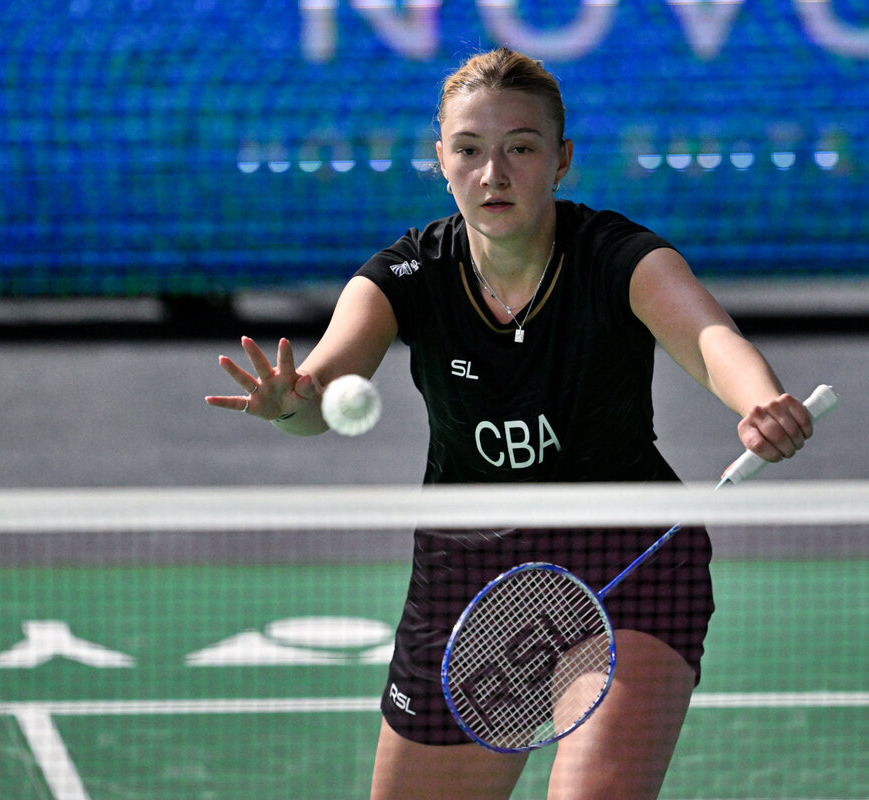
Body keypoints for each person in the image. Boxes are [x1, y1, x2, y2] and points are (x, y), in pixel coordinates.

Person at [206, 47, 813, 800]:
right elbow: (319, 394)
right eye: (469, 150)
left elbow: (711, 339)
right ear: (441, 159)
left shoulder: (618, 258)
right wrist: (290, 404)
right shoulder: (407, 275)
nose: (493, 174)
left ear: (561, 160)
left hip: (629, 559)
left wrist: (758, 400)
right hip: (468, 577)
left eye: (520, 149)